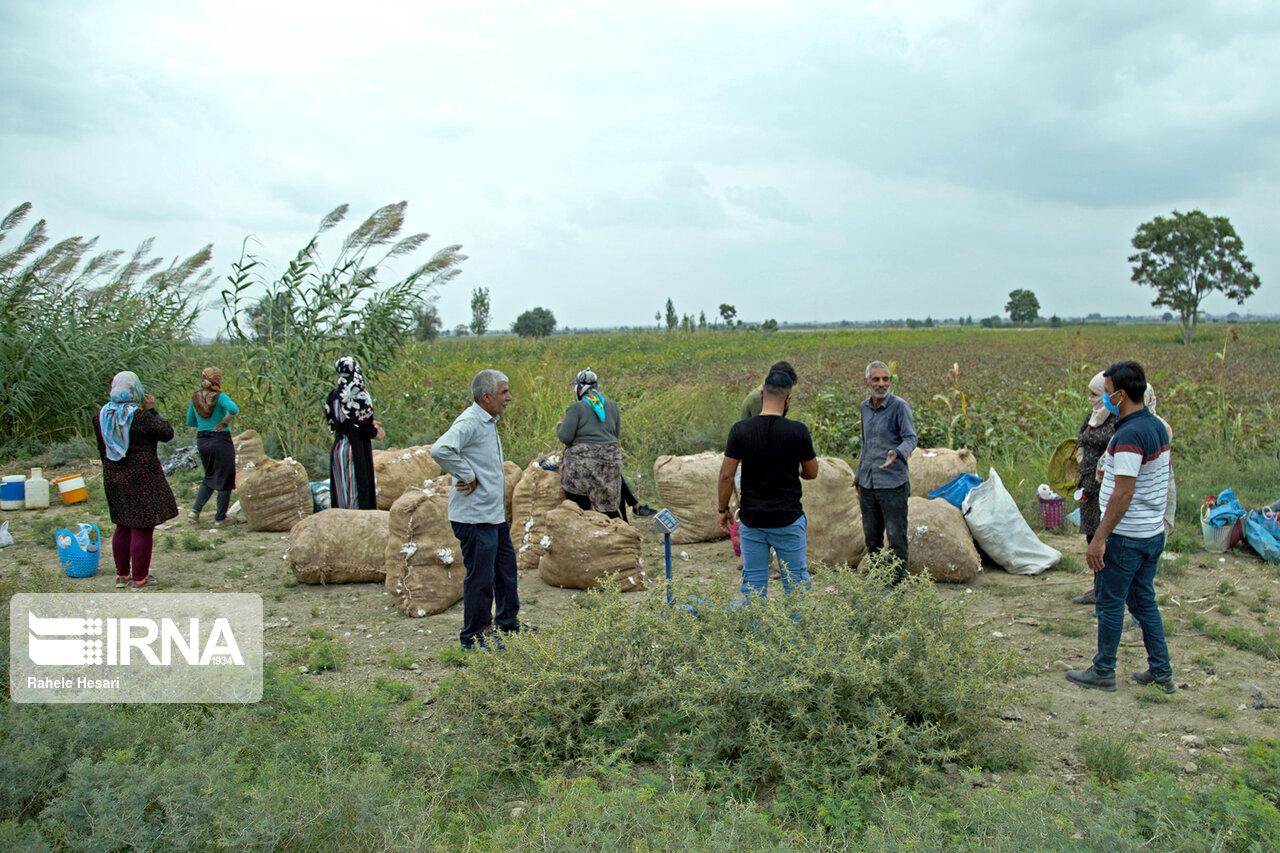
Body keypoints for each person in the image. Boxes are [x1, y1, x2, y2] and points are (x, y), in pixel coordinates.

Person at [1067, 360, 1175, 694]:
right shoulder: (1155, 426)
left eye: (1109, 391)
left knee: (1111, 602)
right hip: (1151, 533)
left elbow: (1123, 493)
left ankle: (1103, 671)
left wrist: (1099, 539)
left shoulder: (1129, 435)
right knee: (1144, 602)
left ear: (1122, 394)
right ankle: (1162, 671)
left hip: (1127, 536)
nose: (1106, 397)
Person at [431, 369, 525, 650]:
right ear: (486, 397)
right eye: (503, 392)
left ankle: (507, 624)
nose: (509, 397)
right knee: (481, 579)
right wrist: (467, 475)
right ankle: (473, 637)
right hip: (473, 518)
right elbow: (441, 449)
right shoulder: (470, 422)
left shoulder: (488, 421)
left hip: (492, 515)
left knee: (505, 571)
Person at [717, 369, 818, 598]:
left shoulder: (740, 431)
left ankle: (758, 632)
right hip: (788, 520)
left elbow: (725, 475)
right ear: (788, 399)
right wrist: (795, 466)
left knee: (754, 586)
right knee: (796, 587)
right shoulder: (798, 431)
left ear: (761, 395)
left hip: (753, 522)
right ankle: (796, 630)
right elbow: (812, 472)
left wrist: (722, 510)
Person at [93, 371, 179, 589]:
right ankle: (140, 577)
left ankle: (122, 575)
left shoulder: (101, 416)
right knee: (142, 527)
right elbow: (167, 432)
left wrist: (112, 470)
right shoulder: (139, 417)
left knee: (122, 525)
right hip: (142, 477)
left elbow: (102, 449)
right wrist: (152, 410)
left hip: (113, 475)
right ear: (135, 391)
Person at [854, 360, 917, 585]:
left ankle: (897, 585)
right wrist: (859, 472)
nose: (881, 384)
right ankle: (879, 580)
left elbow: (911, 438)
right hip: (869, 485)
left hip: (893, 485)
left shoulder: (899, 406)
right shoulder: (864, 407)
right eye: (876, 379)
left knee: (897, 538)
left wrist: (898, 453)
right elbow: (866, 443)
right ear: (866, 382)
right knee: (872, 539)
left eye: (885, 379)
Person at [734, 360, 799, 576]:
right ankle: (758, 562)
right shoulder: (757, 399)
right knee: (761, 516)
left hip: (756, 462)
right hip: (756, 465)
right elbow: (766, 432)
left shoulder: (761, 395)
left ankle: (750, 559)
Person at [1071, 372, 1117, 606]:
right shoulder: (1093, 416)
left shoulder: (1116, 419)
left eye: (1095, 394)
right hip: (1087, 484)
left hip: (1105, 487)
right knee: (1091, 536)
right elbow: (1081, 437)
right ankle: (1098, 588)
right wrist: (1080, 455)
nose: (1091, 398)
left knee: (1104, 540)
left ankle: (1108, 594)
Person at [556, 368, 623, 518]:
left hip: (583, 467)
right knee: (608, 507)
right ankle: (616, 532)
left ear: (579, 389)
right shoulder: (611, 406)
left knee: (579, 506)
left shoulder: (577, 407)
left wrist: (560, 425)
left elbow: (565, 437)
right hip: (610, 464)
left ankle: (584, 522)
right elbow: (615, 435)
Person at [325, 357, 384, 510]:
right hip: (355, 449)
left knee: (341, 488)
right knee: (357, 489)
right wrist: (375, 429)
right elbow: (365, 428)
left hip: (338, 448)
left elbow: (335, 423)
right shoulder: (358, 393)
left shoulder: (333, 395)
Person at [187, 367, 239, 526]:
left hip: (202, 440)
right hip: (220, 439)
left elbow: (191, 422)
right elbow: (234, 409)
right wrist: (224, 421)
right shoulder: (220, 397)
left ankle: (194, 512)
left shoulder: (195, 398)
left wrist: (204, 423)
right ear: (217, 380)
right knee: (225, 478)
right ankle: (220, 518)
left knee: (210, 476)